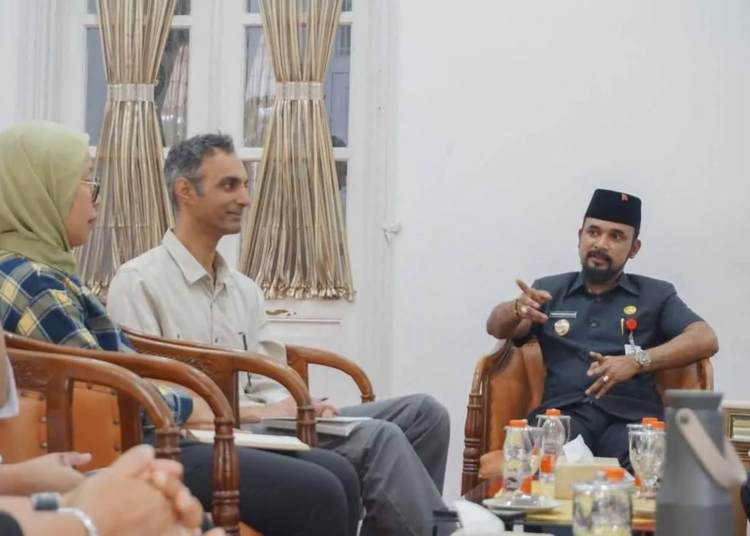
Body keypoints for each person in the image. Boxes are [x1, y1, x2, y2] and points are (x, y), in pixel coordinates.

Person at [0, 121, 359, 536]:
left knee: (337, 473)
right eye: (86, 183)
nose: (96, 199)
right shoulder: (34, 282)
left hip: (153, 426)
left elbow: (114, 369)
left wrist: (201, 405)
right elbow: (102, 389)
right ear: (41, 192)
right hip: (131, 442)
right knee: (322, 489)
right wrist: (191, 405)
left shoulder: (43, 271)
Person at [106, 133, 454, 536]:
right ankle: (444, 532)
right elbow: (152, 398)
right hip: (217, 434)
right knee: (381, 438)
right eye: (229, 185)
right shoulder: (139, 282)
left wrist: (300, 405)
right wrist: (269, 412)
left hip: (273, 422)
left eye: (245, 185)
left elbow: (269, 378)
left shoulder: (244, 290)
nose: (245, 199)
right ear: (185, 192)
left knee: (426, 414)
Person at [485, 188, 719, 471]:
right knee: (546, 466)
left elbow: (705, 337)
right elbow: (496, 327)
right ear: (580, 236)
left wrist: (637, 361)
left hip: (631, 418)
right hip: (563, 417)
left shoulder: (655, 295)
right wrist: (515, 309)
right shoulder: (549, 290)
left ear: (634, 248)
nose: (601, 244)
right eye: (593, 232)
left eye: (616, 237)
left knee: (649, 468)